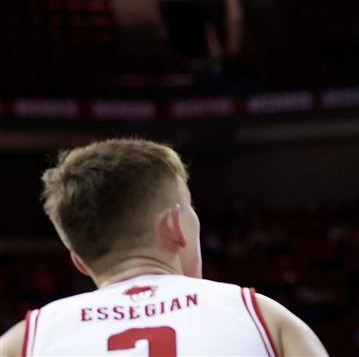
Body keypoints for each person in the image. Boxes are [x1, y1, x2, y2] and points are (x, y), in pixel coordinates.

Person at [0, 138, 327, 357]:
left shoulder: (24, 342)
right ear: (175, 225)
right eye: (190, 207)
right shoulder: (263, 318)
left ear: (80, 262)